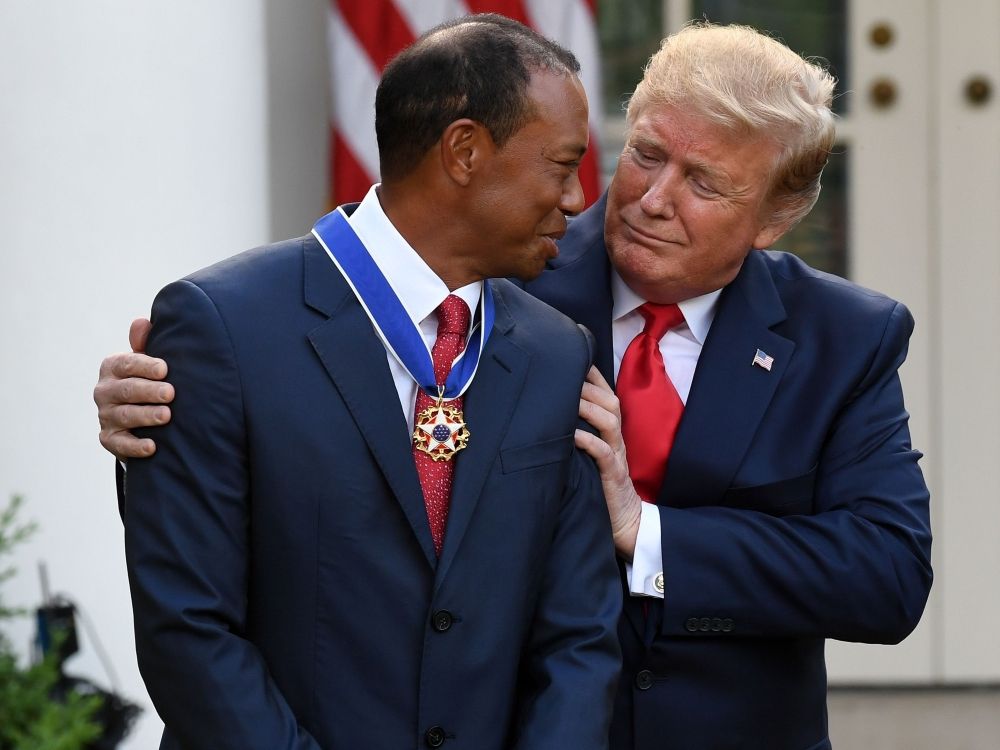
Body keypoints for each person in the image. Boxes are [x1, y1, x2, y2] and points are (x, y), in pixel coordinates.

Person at [96, 22, 932, 750]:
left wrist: (646, 534)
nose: (650, 199)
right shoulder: (496, 272)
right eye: (645, 155)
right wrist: (171, 393)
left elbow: (888, 574)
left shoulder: (845, 338)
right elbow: (313, 353)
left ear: (776, 217)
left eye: (704, 183)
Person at [108, 15, 623, 750]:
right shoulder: (221, 327)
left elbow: (577, 639)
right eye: (562, 165)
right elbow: (188, 628)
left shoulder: (556, 352)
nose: (576, 200)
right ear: (465, 151)